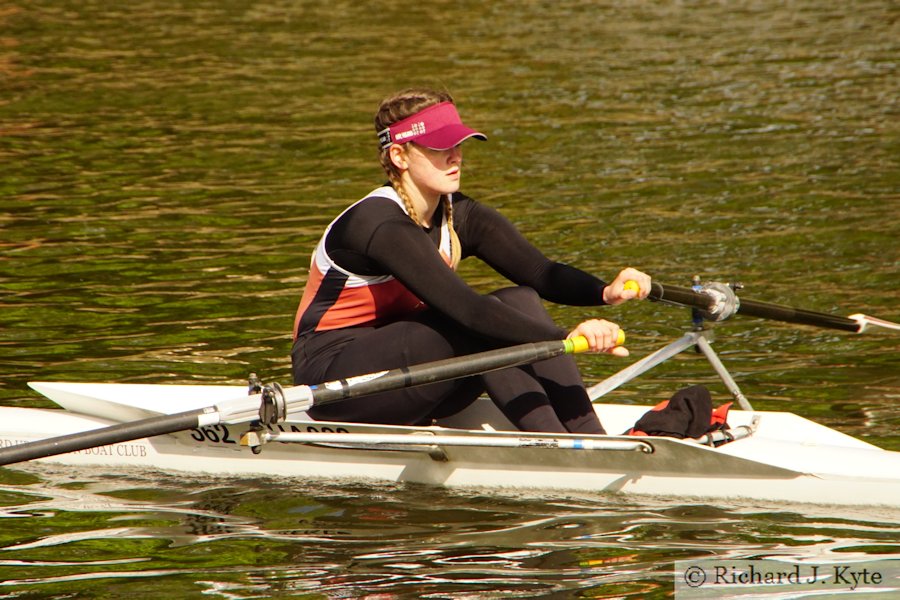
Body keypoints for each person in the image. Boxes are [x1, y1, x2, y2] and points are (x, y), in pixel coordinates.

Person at [291, 88, 651, 434]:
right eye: (440, 147)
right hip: (335, 384)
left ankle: (590, 437)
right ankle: (561, 448)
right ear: (399, 156)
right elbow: (469, 312)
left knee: (519, 298)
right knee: (480, 324)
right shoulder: (376, 224)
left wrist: (605, 290)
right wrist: (566, 337)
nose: (456, 156)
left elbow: (542, 272)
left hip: (415, 374)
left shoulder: (457, 212)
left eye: (458, 144)